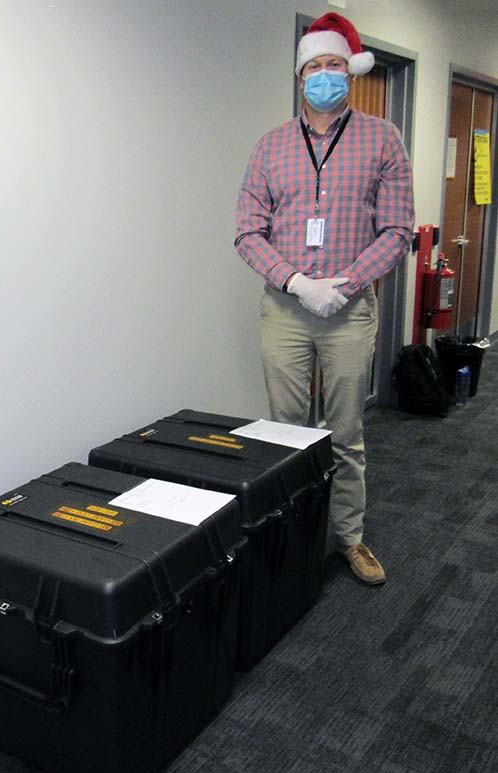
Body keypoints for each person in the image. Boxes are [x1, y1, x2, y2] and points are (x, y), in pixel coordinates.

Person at [235, 12, 414, 584]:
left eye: (335, 65)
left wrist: (345, 284)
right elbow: (247, 230)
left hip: (348, 311)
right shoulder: (271, 146)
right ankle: (290, 537)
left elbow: (398, 229)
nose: (325, 75)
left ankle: (347, 540)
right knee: (286, 434)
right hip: (284, 309)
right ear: (299, 76)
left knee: (345, 435)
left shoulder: (383, 138)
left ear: (351, 72)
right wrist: (296, 283)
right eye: (314, 66)